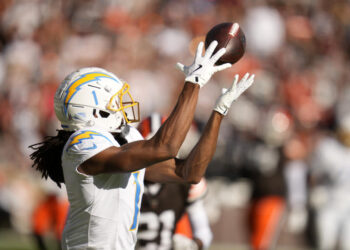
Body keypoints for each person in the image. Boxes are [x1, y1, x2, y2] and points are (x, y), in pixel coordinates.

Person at [29, 40, 255, 249]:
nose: (123, 105)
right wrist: (193, 82)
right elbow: (164, 147)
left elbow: (188, 173)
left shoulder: (121, 140)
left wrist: (218, 111)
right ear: (95, 110)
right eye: (115, 101)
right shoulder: (81, 145)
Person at [136, 113, 212, 250]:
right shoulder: (127, 180)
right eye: (153, 147)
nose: (159, 154)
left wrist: (193, 245)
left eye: (165, 147)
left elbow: (204, 233)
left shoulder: (185, 183)